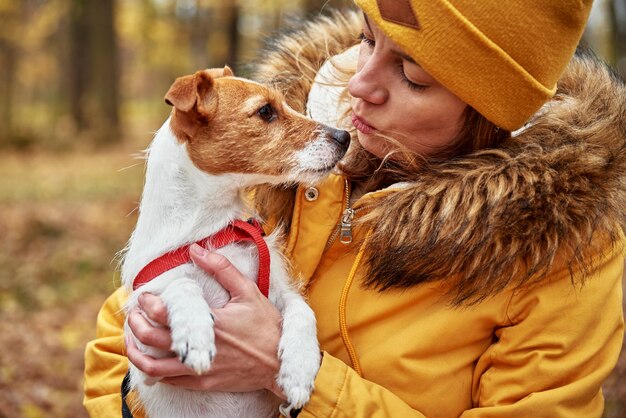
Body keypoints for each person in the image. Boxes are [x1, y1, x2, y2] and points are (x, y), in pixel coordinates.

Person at [84, 1, 626, 417]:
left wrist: (293, 375)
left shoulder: (567, 250)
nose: (361, 85)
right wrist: (149, 379)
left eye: (412, 75)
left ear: (491, 110)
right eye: (368, 41)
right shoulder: (274, 165)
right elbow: (118, 340)